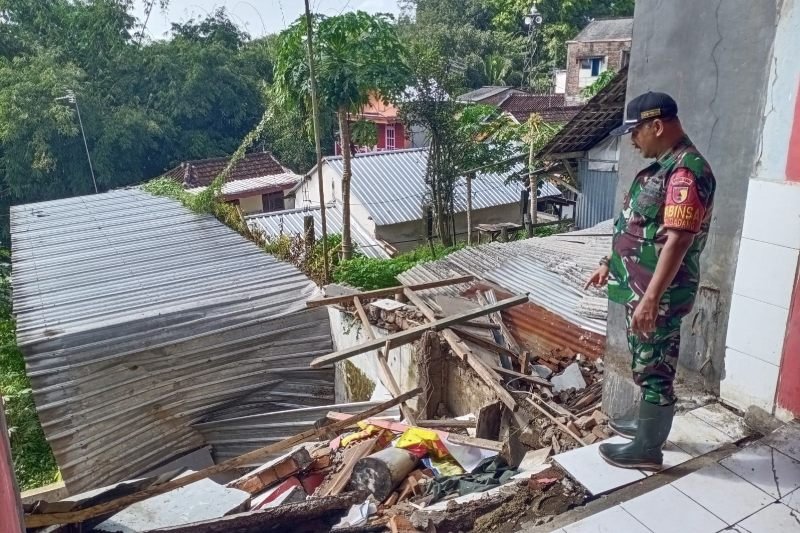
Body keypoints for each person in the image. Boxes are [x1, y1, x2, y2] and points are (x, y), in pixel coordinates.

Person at [584, 92, 716, 470]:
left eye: (636, 131)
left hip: (659, 294)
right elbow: (639, 228)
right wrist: (608, 262)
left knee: (655, 367)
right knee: (645, 362)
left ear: (657, 126)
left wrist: (652, 298)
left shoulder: (685, 172)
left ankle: (647, 447)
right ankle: (646, 425)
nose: (632, 140)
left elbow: (678, 240)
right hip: (640, 289)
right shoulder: (662, 168)